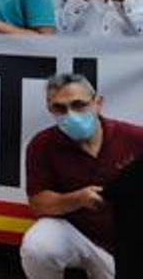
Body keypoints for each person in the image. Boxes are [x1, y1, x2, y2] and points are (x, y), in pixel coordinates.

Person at [21, 73, 143, 279]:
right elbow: (38, 203)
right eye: (60, 108)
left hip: (127, 245)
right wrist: (77, 199)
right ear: (49, 109)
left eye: (79, 105)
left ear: (98, 103)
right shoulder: (42, 145)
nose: (70, 114)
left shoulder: (135, 139)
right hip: (76, 233)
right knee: (37, 245)